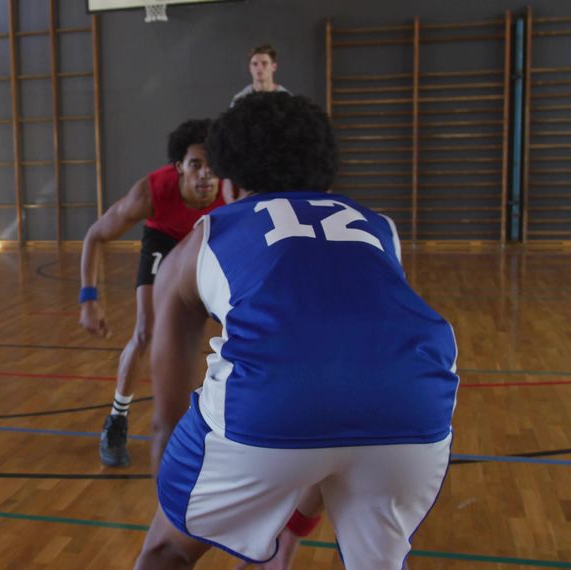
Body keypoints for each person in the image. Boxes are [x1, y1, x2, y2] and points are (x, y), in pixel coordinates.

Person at [134, 92, 459, 569]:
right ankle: (283, 548)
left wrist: (175, 510)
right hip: (419, 407)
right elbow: (344, 389)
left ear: (230, 181)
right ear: (324, 173)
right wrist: (292, 529)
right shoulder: (379, 229)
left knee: (166, 553)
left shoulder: (204, 235)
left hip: (271, 406)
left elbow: (166, 418)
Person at [79, 119, 224, 468]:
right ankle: (117, 418)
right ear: (179, 167)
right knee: (146, 331)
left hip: (207, 239)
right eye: (195, 165)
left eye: (212, 166)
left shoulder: (232, 190)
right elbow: (95, 236)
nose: (205, 174)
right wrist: (88, 299)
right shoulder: (152, 191)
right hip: (165, 241)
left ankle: (227, 426)